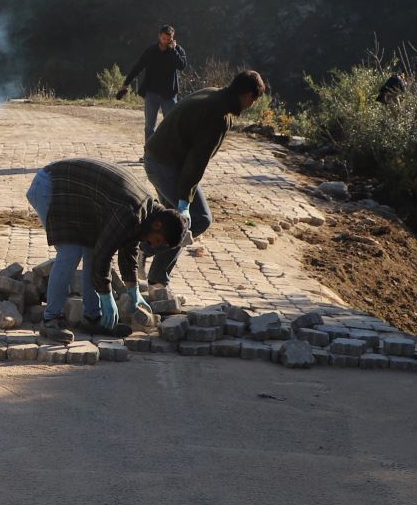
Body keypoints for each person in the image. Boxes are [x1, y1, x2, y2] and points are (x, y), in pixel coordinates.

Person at [26, 159, 186, 343]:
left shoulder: (147, 213)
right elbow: (104, 255)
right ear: (157, 224)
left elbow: (129, 248)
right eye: (156, 240)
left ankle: (92, 318)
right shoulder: (131, 211)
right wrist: (106, 295)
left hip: (76, 198)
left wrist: (133, 290)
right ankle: (50, 320)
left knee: (90, 249)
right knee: (71, 252)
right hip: (51, 186)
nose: (152, 244)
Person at [141, 69, 268, 289]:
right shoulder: (220, 115)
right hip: (165, 165)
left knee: (174, 220)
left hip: (160, 158)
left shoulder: (212, 93)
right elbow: (197, 161)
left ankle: (155, 275)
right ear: (248, 95)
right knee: (197, 219)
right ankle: (146, 255)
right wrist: (184, 200)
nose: (252, 105)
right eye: (254, 100)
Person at [118, 25, 189, 144]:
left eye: (169, 39)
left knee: (172, 126)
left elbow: (182, 66)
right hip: (152, 94)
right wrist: (126, 83)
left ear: (173, 38)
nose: (166, 41)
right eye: (164, 38)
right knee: (150, 127)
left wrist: (173, 50)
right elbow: (138, 67)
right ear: (159, 36)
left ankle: (170, 154)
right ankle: (149, 154)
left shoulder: (178, 50)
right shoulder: (151, 51)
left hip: (169, 95)